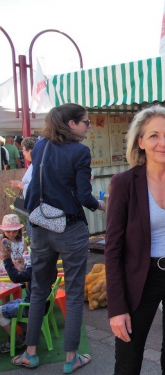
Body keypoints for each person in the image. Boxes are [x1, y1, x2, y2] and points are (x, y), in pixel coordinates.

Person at [105, 105, 165, 375]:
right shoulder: (124, 183)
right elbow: (112, 250)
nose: (163, 143)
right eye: (154, 136)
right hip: (140, 278)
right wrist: (116, 308)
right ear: (140, 141)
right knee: (128, 361)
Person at [16, 104, 106, 372]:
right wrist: (102, 206)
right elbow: (84, 195)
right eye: (86, 123)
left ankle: (30, 354)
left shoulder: (41, 145)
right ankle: (70, 358)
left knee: (38, 290)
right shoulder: (80, 151)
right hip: (69, 228)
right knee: (75, 292)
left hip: (40, 226)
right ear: (71, 124)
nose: (89, 127)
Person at [0, 214, 30, 353]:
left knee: (8, 303)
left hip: (17, 275)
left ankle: (17, 336)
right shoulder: (1, 241)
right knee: (5, 299)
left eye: (14, 231)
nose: (11, 234)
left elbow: (23, 257)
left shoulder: (22, 240)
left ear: (19, 230)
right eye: (8, 231)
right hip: (5, 272)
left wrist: (20, 262)